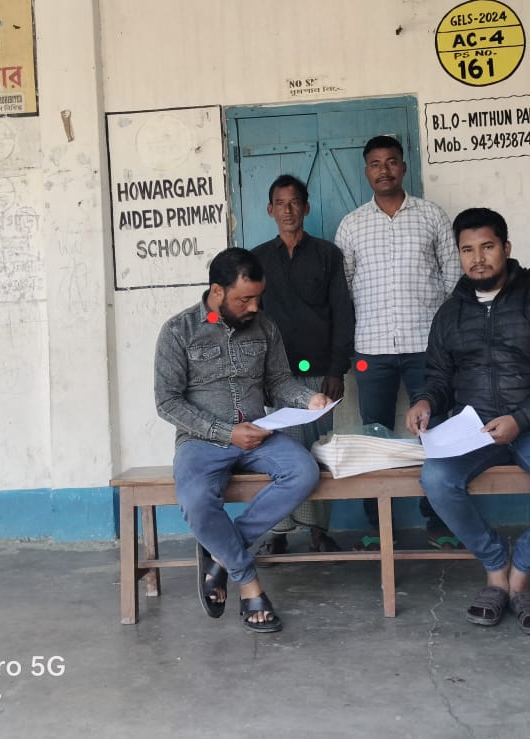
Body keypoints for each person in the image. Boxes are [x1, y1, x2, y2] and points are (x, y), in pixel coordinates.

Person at [405, 208, 530, 635]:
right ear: (458, 255)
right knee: (437, 480)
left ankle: (522, 570)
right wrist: (424, 401)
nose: (478, 258)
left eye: (487, 247)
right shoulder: (450, 314)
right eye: (468, 250)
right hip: (472, 428)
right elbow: (438, 377)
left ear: (506, 249)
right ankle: (496, 566)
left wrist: (522, 417)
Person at [154, 247, 330, 633]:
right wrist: (224, 432)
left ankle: (220, 551)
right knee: (197, 500)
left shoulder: (264, 327)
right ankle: (247, 582)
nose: (253, 306)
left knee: (303, 471)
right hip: (201, 441)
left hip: (258, 434)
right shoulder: (178, 331)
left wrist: (307, 398)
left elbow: (279, 382)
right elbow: (167, 403)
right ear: (217, 291)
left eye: (257, 297)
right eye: (243, 298)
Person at [334, 134, 461, 549]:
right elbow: (345, 288)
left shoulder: (432, 216)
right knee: (375, 437)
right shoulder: (352, 224)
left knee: (436, 432)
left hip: (427, 345)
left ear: (404, 167)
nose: (384, 170)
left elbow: (453, 277)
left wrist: (445, 332)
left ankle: (439, 520)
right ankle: (377, 525)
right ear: (366, 170)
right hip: (372, 347)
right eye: (375, 163)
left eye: (391, 162)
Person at [251, 174, 354, 554]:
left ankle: (316, 530)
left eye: (296, 202)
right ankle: (279, 533)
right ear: (270, 210)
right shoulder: (258, 259)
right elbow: (250, 316)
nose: (289, 210)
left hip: (319, 375)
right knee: (280, 450)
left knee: (316, 449)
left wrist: (336, 369)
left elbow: (343, 314)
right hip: (275, 374)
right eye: (281, 203)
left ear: (306, 207)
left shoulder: (327, 255)